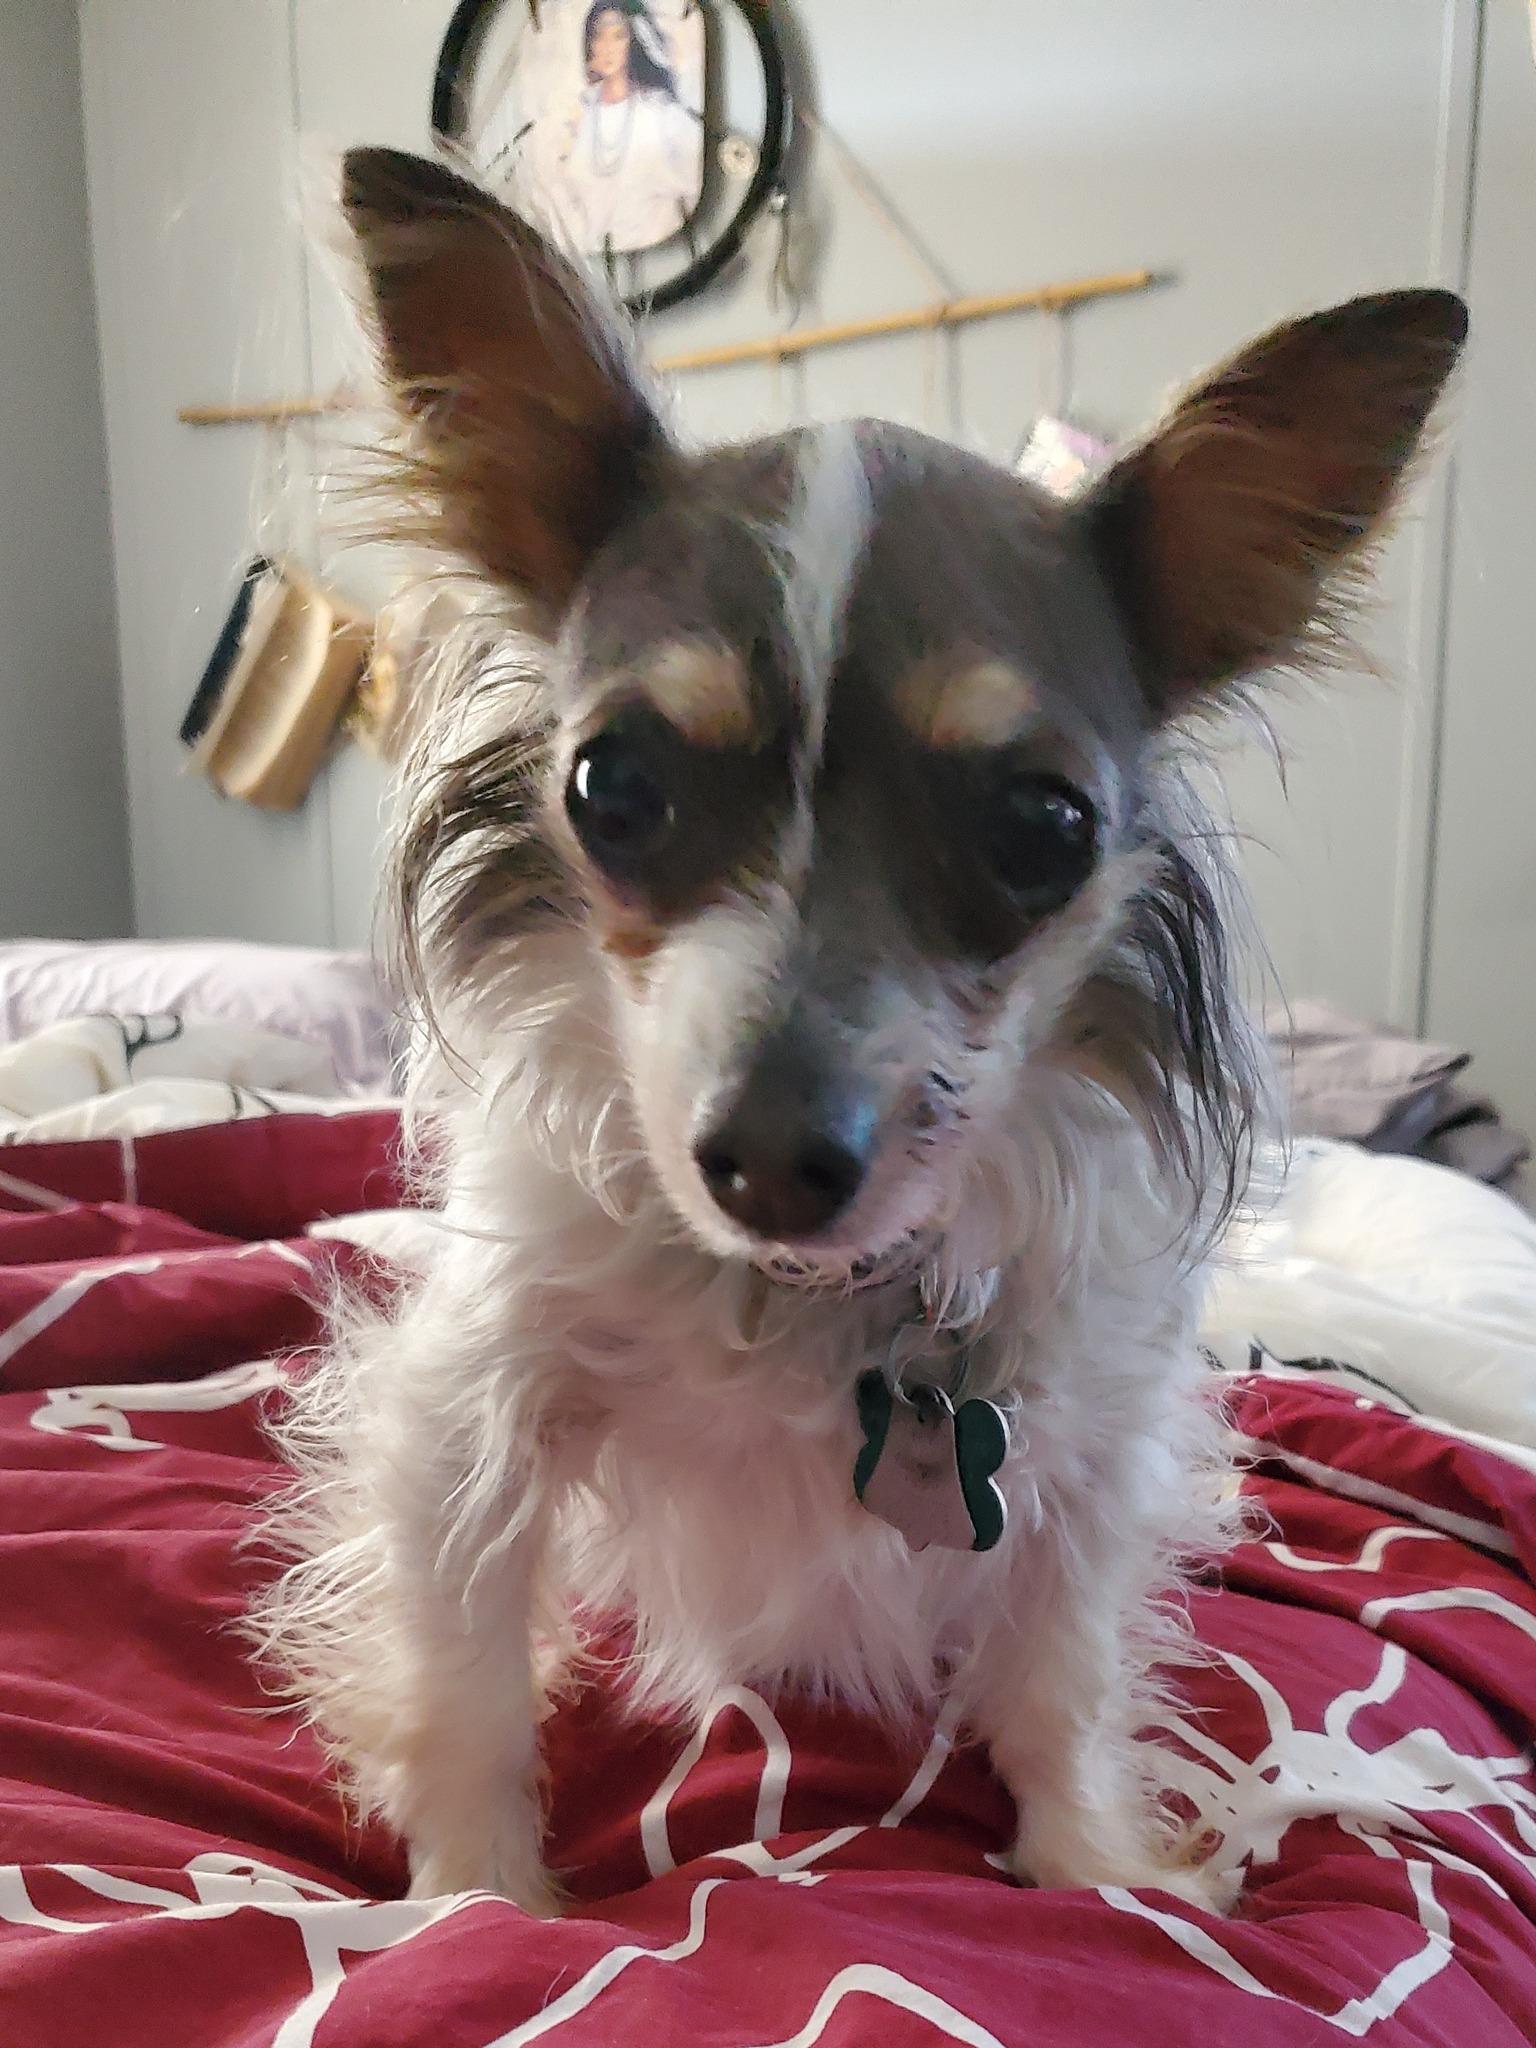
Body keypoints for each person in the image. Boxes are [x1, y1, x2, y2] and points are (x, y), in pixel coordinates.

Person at [546, 1, 702, 255]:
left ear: (633, 42)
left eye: (618, 36)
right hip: (589, 266)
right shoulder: (577, 115)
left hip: (658, 257)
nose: (607, 47)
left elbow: (700, 182)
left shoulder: (660, 112)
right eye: (599, 36)